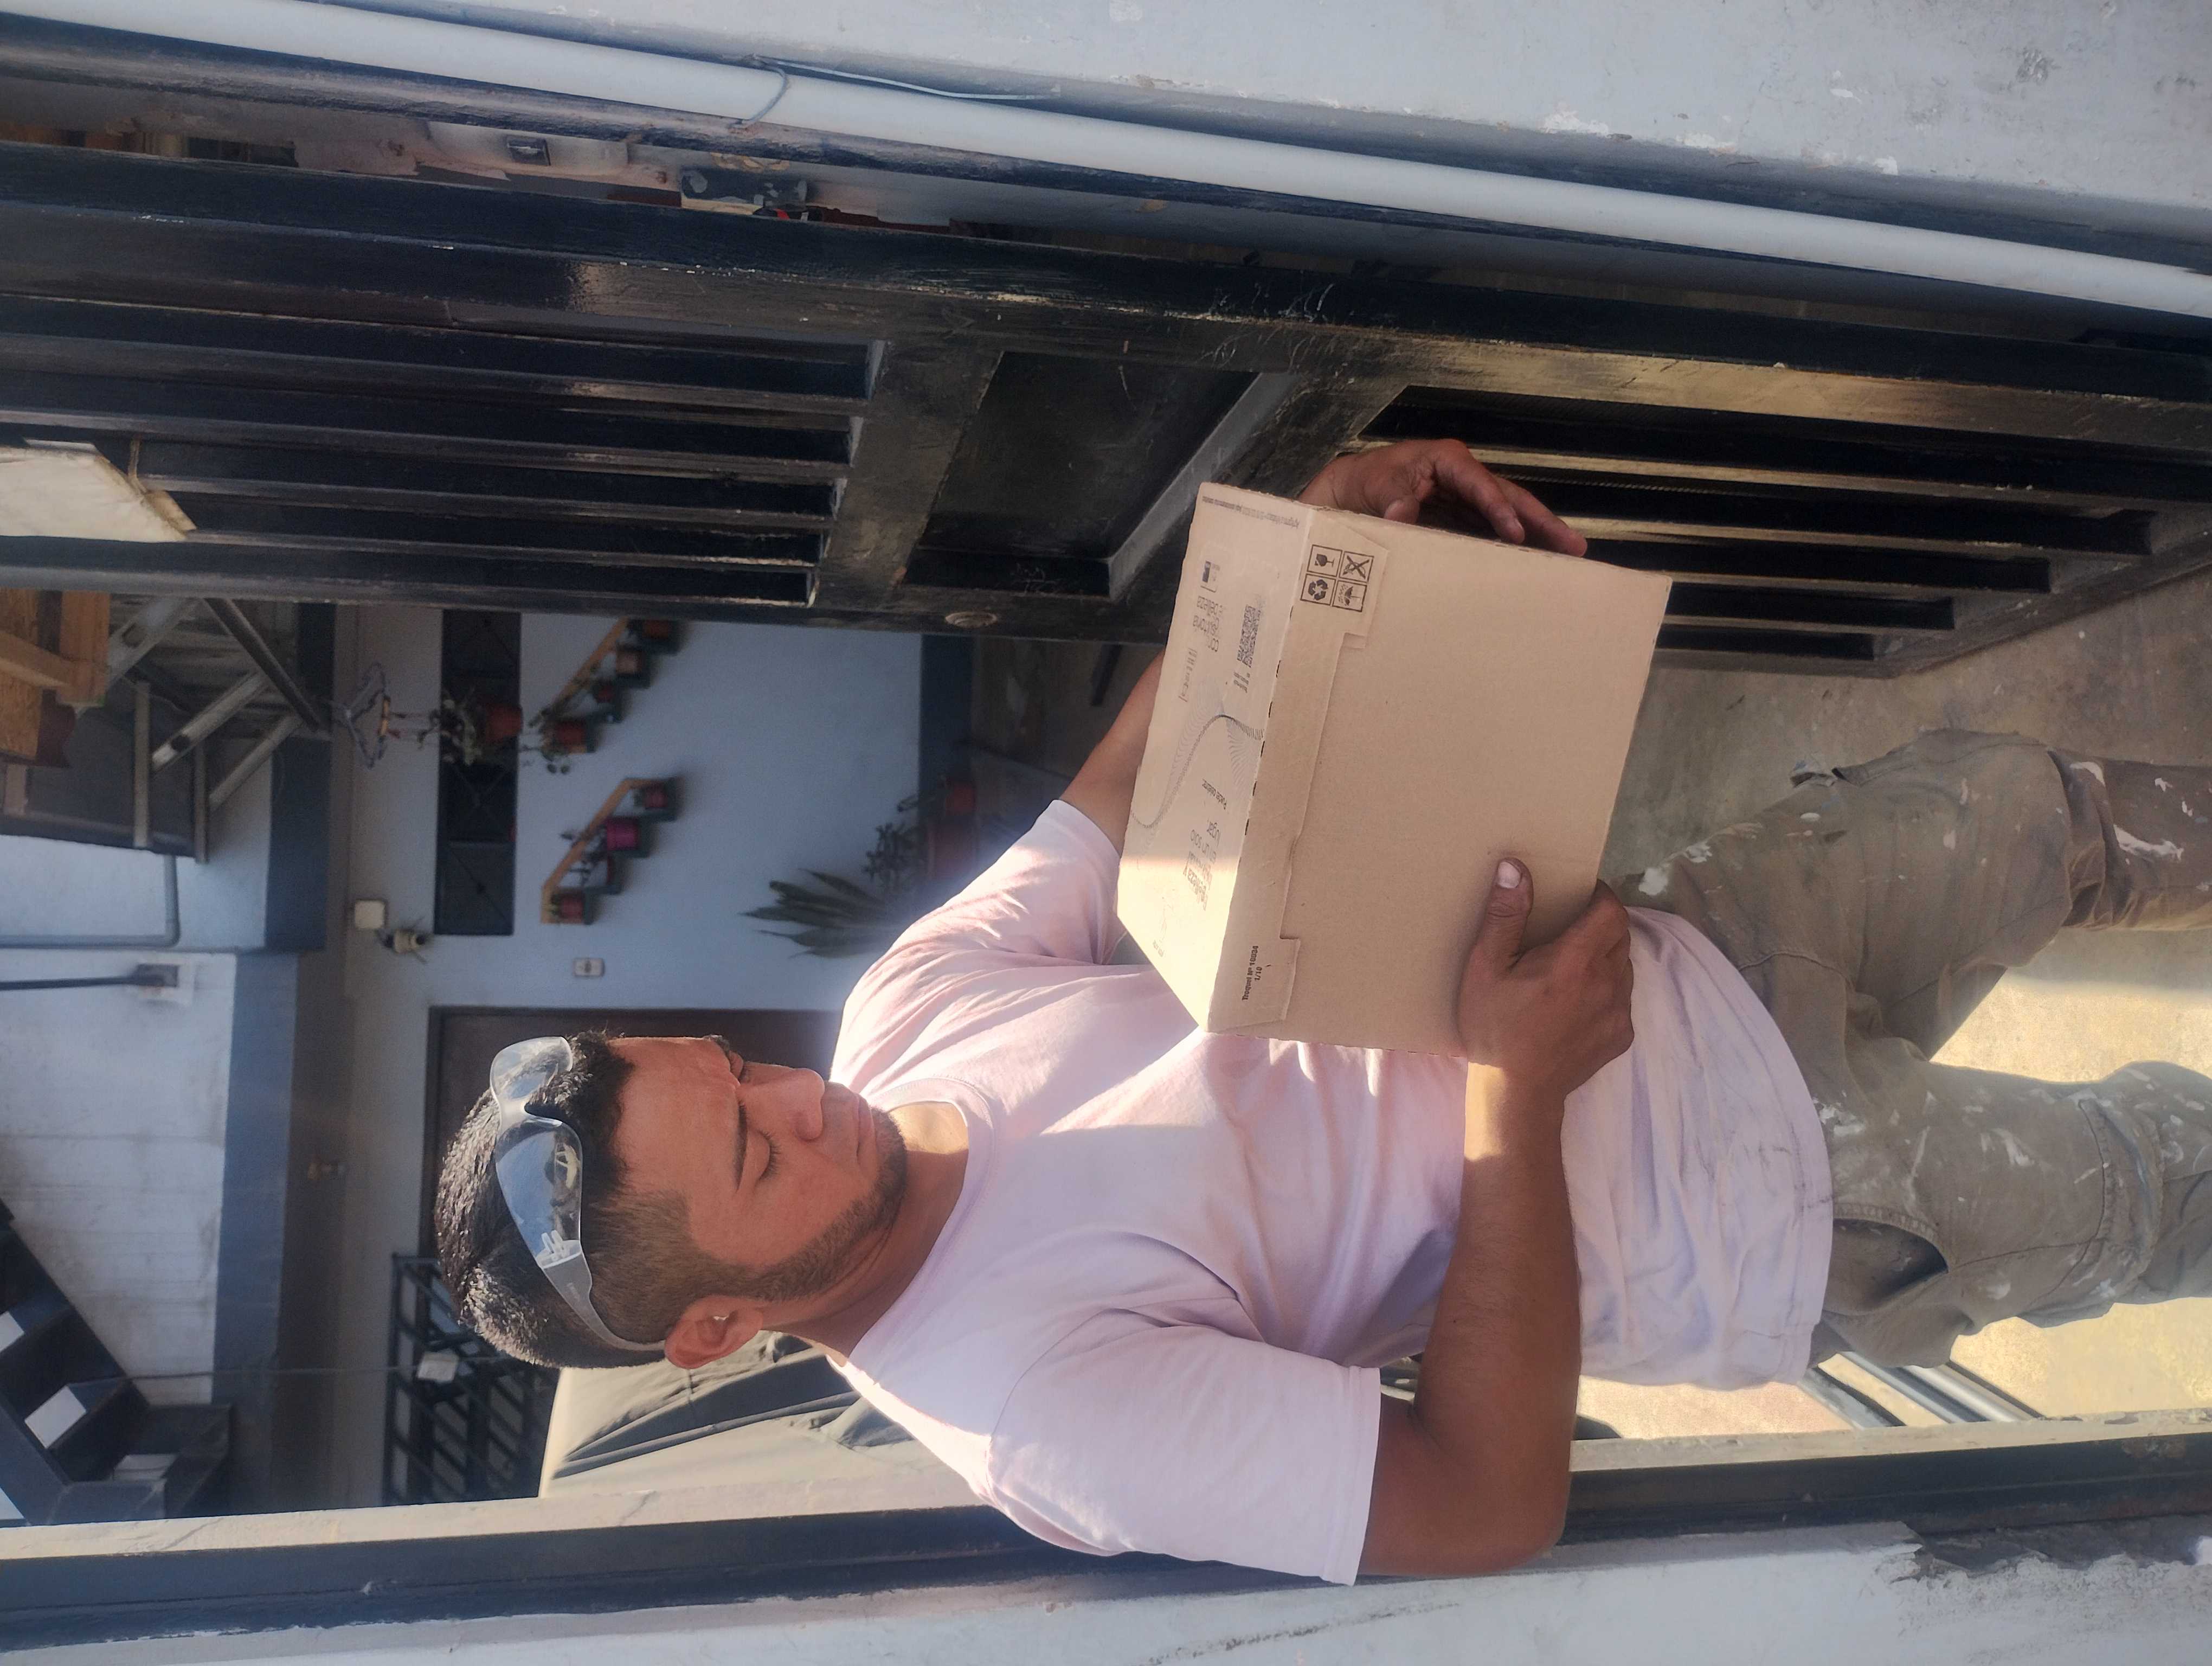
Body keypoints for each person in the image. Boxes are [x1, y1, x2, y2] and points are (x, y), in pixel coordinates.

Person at [436, 440, 2212, 1583]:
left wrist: (1289, 555)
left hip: (1681, 941)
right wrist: (1512, 1098)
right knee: (2160, 1176)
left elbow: (1120, 797)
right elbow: (1481, 1503)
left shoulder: (903, 1019)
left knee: (2044, 812)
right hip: (1755, 1210)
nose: (807, 1102)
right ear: (717, 1325)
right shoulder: (1036, 1409)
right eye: (758, 1157)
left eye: (743, 1069)